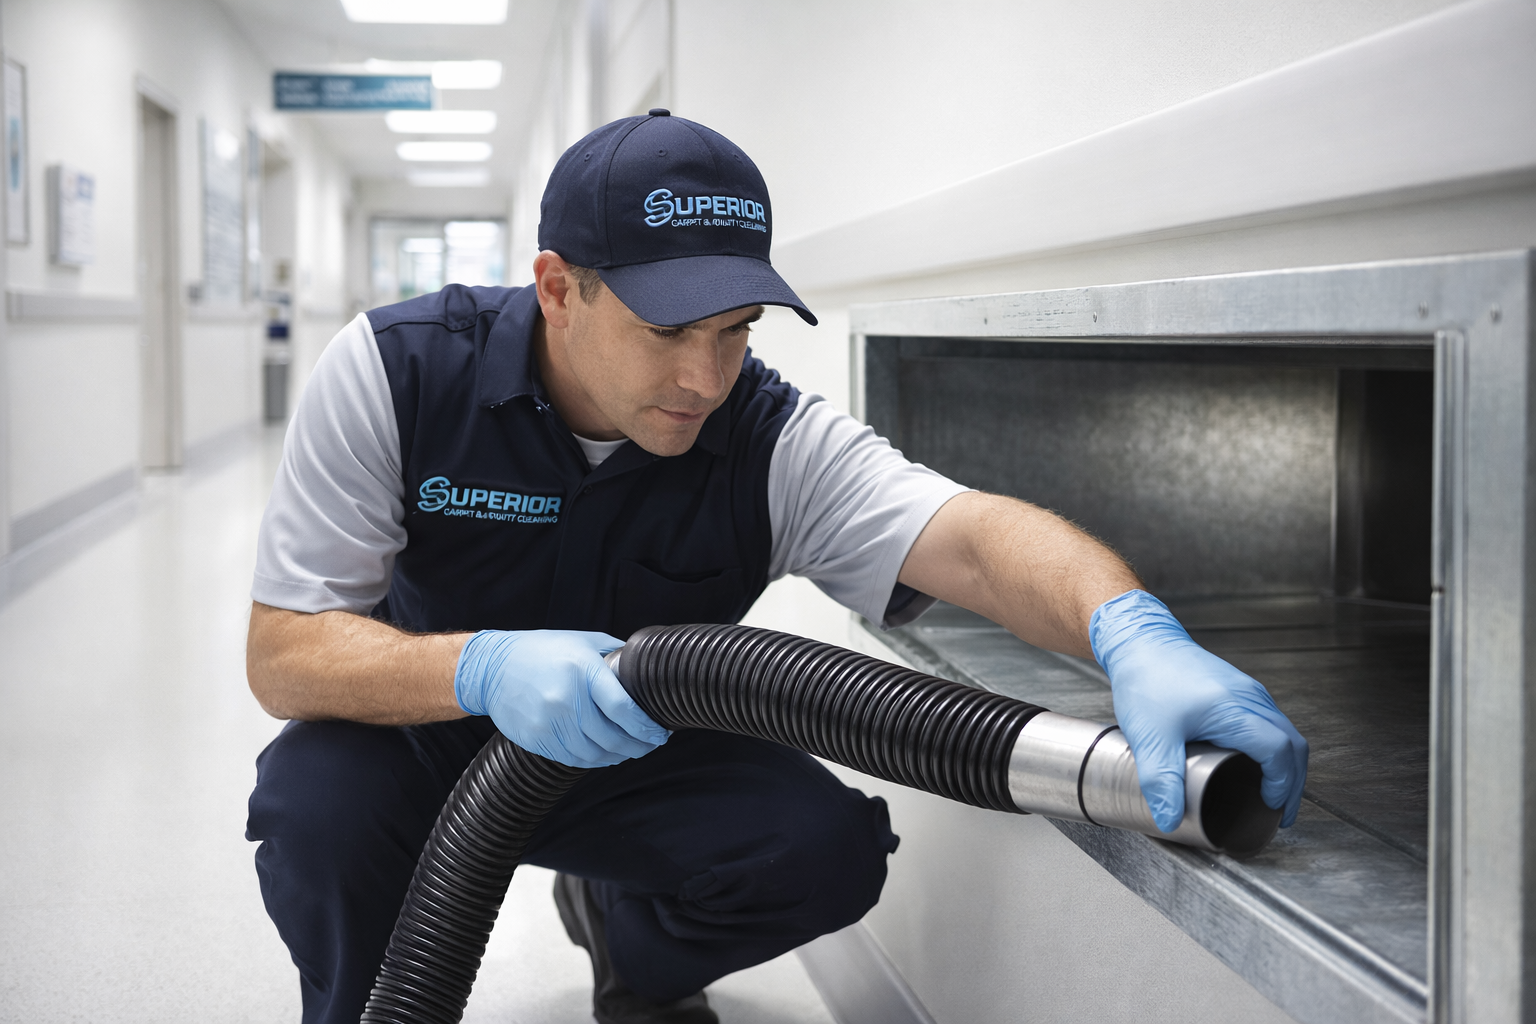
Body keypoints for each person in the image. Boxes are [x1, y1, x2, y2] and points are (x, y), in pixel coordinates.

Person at [244, 110, 1308, 1024]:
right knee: (313, 807)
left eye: (737, 330)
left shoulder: (767, 438)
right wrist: (480, 670)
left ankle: (632, 945)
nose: (706, 376)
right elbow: (284, 651)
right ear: (560, 289)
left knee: (825, 848)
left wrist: (1132, 627)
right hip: (420, 732)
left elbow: (975, 538)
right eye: (669, 330)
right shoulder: (397, 372)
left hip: (631, 750)